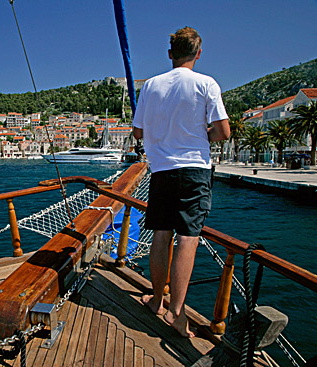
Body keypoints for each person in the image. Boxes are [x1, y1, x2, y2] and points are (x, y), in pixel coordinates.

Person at [132, 26, 230, 337]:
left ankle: (157, 300)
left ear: (170, 53)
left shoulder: (150, 86)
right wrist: (204, 135)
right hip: (195, 170)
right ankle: (176, 311)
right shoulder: (206, 84)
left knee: (161, 235)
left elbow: (137, 132)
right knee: (187, 237)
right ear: (198, 54)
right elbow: (224, 131)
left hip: (162, 170)